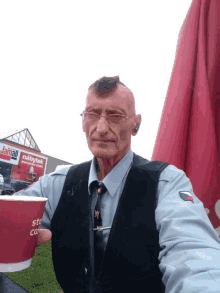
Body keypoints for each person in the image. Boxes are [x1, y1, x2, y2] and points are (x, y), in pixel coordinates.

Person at [14, 76, 220, 293]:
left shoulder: (165, 182)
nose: (101, 128)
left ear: (136, 124)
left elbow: (193, 252)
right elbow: (10, 213)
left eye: (115, 115)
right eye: (92, 114)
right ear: (83, 121)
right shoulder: (57, 184)